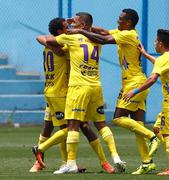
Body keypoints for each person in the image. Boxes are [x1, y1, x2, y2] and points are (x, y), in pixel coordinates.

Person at [66, 8, 161, 175]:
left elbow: (102, 39)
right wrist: (81, 23)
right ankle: (147, 162)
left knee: (118, 118)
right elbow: (101, 31)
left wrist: (80, 30)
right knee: (137, 125)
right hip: (135, 80)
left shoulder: (129, 34)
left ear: (129, 22)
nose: (118, 21)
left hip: (134, 83)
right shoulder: (124, 31)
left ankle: (152, 137)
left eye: (121, 19)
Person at [36, 12, 125, 174]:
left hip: (70, 89)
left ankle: (50, 154)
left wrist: (77, 31)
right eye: (67, 25)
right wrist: (84, 28)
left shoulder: (69, 40)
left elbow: (43, 38)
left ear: (81, 26)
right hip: (83, 87)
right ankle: (111, 158)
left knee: (70, 125)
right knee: (88, 125)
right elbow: (104, 34)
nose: (70, 25)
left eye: (73, 23)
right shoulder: (96, 40)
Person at [123, 29, 169, 176]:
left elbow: (152, 79)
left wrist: (134, 91)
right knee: (158, 128)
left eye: (155, 41)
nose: (154, 43)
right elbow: (160, 63)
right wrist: (145, 54)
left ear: (160, 43)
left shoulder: (163, 59)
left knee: (167, 135)